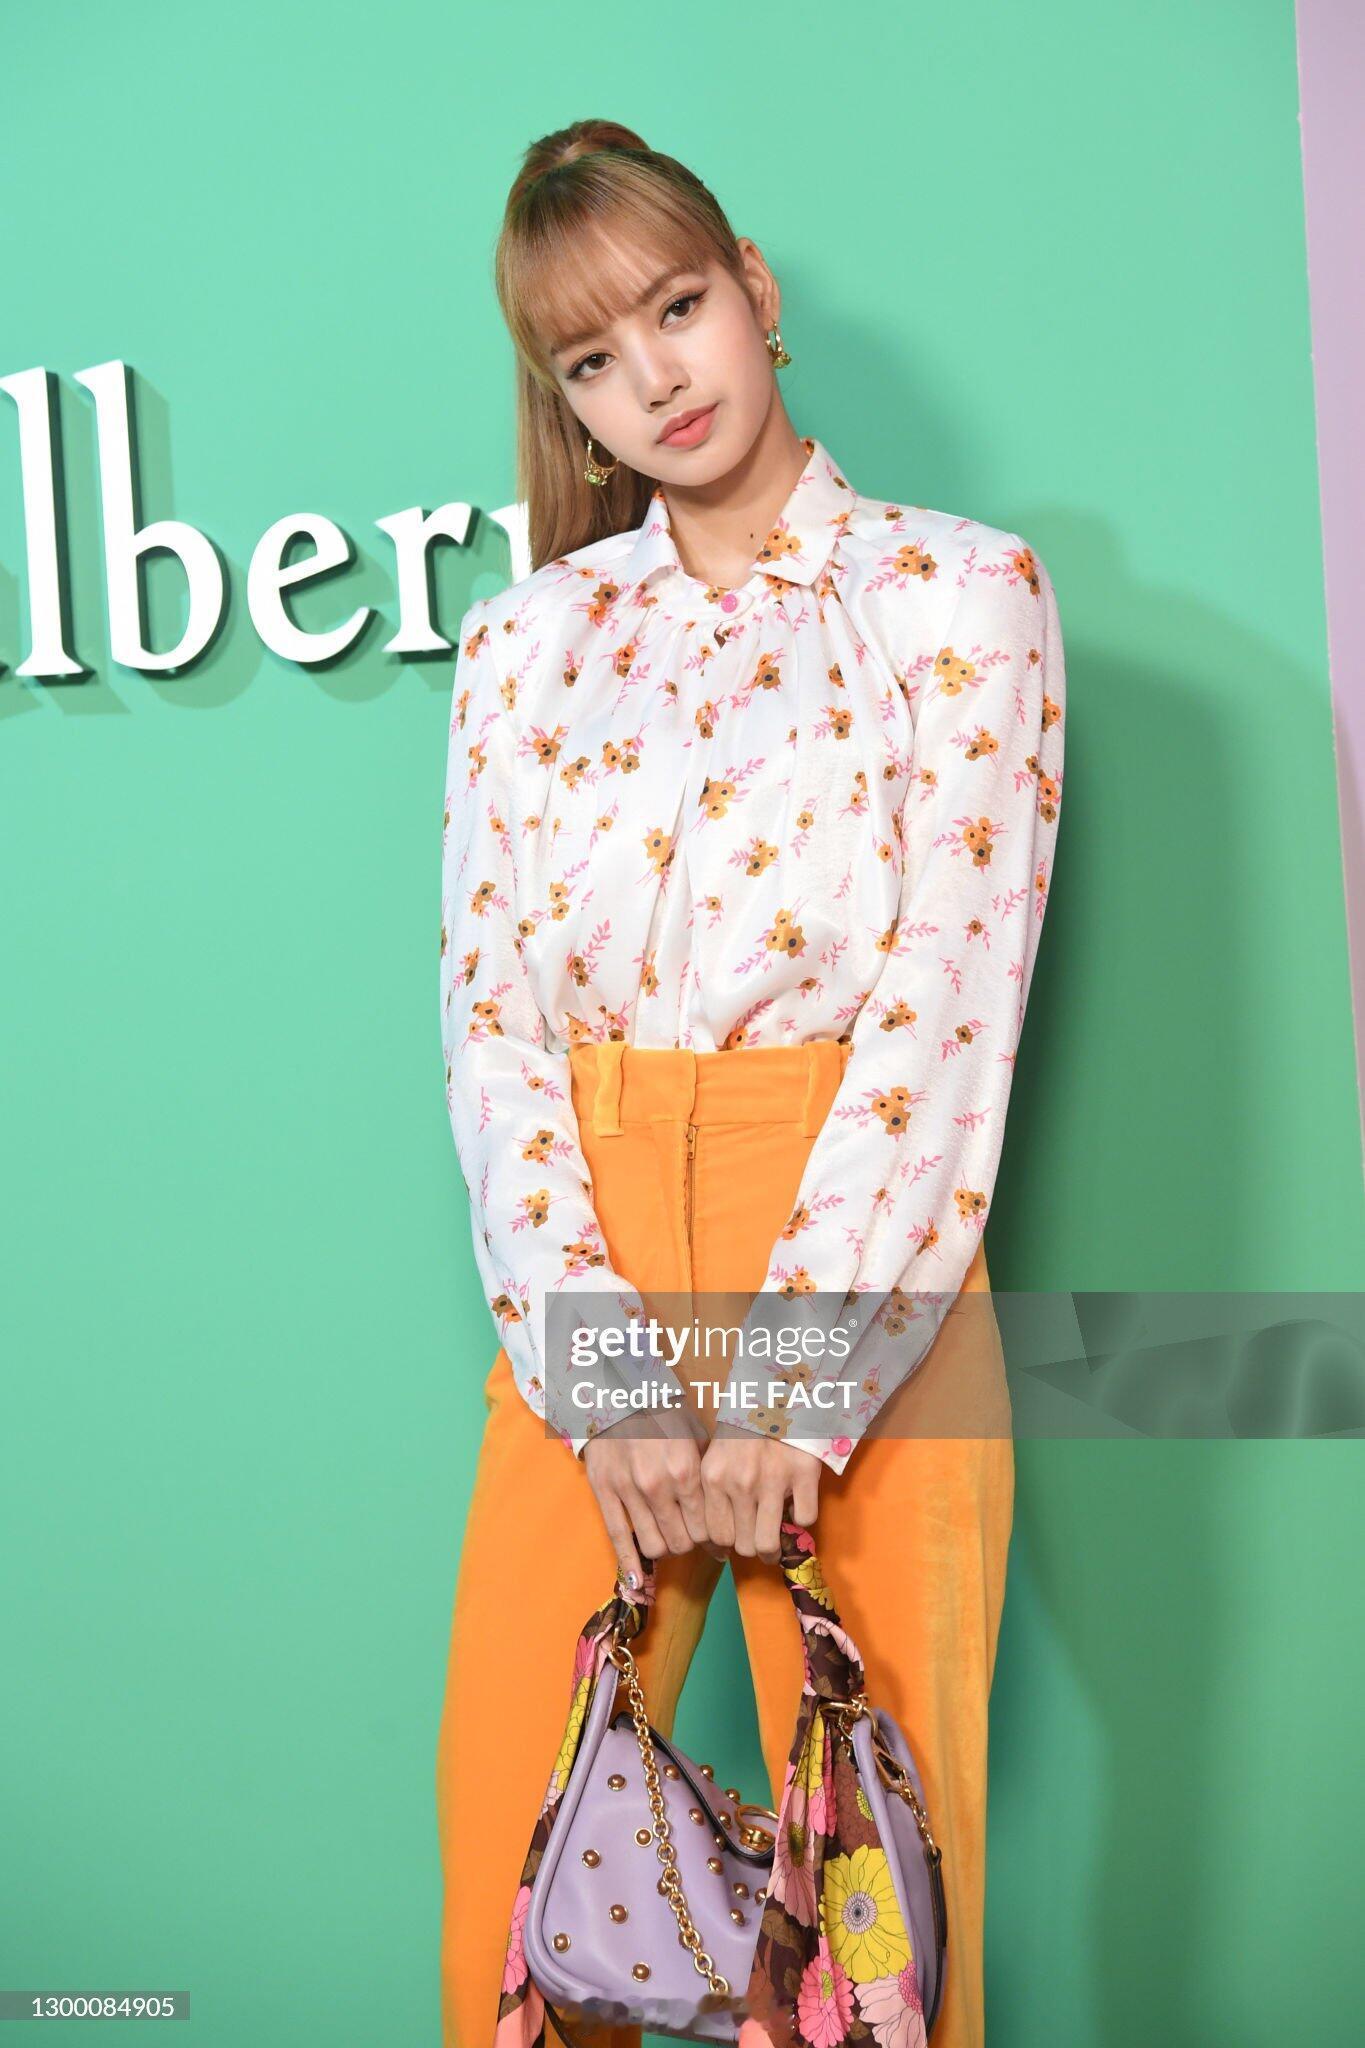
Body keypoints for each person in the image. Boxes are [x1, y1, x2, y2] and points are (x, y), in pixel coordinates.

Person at [436, 117, 1065, 2048]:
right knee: (515, 1877)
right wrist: (606, 1373)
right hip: (594, 1247)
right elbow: (495, 1020)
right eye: (591, 359)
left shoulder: (958, 594)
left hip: (866, 1249)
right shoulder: (527, 644)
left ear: (755, 289)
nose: (655, 381)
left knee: (876, 1925)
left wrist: (799, 1373)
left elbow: (948, 998)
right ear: (563, 399)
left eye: (677, 308)